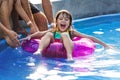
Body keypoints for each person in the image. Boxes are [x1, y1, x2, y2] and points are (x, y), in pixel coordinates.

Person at [23, 10, 112, 61]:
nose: (63, 21)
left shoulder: (71, 32)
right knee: (48, 34)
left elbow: (89, 37)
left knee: (65, 35)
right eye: (61, 19)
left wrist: (105, 45)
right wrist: (29, 37)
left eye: (66, 19)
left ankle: (69, 56)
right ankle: (39, 50)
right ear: (56, 22)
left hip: (67, 46)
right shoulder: (54, 30)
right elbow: (40, 34)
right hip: (53, 43)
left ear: (69, 23)